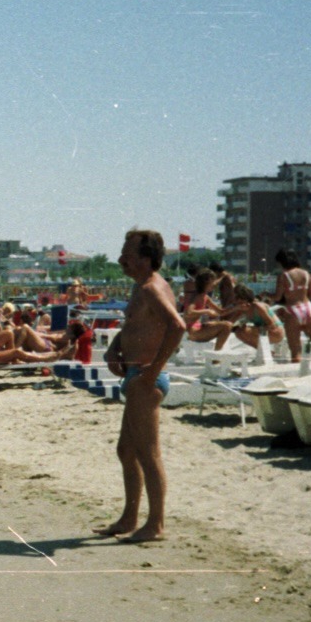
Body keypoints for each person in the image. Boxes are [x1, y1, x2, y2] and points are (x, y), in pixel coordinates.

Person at [95, 229, 186, 543]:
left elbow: (177, 326)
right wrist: (114, 347)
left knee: (148, 454)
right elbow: (136, 326)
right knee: (126, 450)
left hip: (146, 378)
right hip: (137, 375)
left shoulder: (151, 288)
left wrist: (152, 371)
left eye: (128, 254)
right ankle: (130, 517)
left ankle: (155, 524)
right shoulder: (140, 288)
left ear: (147, 259)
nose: (121, 259)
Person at [274, 248, 311, 363]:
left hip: (293, 310)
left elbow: (277, 297)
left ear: (282, 262)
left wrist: (266, 295)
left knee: (295, 350)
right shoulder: (306, 274)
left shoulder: (284, 276)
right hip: (308, 308)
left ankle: (298, 379)